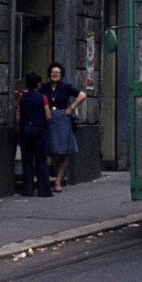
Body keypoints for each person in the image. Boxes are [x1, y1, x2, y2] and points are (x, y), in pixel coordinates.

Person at [41, 62, 85, 193]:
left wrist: (71, 108)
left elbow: (82, 95)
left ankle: (58, 180)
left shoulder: (66, 87)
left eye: (57, 73)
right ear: (49, 74)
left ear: (61, 75)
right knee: (53, 150)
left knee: (63, 151)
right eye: (53, 72)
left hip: (62, 119)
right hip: (49, 119)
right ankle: (59, 172)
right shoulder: (44, 87)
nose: (55, 75)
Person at [16, 71, 53, 197]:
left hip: (26, 129)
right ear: (38, 84)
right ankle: (44, 190)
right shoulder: (43, 98)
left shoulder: (22, 97)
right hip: (39, 129)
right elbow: (48, 116)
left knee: (27, 160)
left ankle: (27, 189)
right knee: (41, 159)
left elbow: (18, 117)